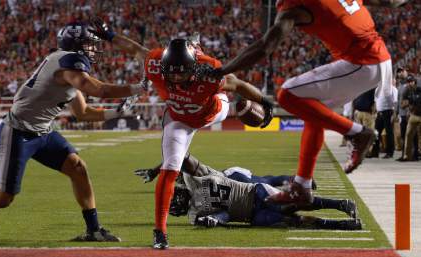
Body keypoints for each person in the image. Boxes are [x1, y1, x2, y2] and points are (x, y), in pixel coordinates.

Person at [0, 22, 148, 242]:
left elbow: (83, 113)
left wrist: (116, 113)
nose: (93, 49)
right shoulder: (68, 63)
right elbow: (100, 89)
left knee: (78, 168)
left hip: (43, 132)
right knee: (2, 198)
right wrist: (140, 87)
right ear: (76, 46)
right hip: (18, 132)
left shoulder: (68, 68)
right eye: (88, 44)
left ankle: (93, 230)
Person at [87, 18, 274, 249]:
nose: (175, 78)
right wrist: (109, 35)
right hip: (179, 119)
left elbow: (239, 84)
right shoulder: (155, 63)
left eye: (181, 74)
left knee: (237, 104)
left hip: (214, 109)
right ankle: (160, 232)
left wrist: (264, 101)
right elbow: (135, 49)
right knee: (170, 169)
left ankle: (196, 46)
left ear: (193, 67)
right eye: (171, 74)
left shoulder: (208, 71)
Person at [198, 0, 409, 205]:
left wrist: (221, 71)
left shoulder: (294, 6)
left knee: (287, 94)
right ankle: (301, 186)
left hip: (362, 60)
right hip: (378, 59)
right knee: (312, 111)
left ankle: (357, 132)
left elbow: (264, 47)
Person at [135, 154, 360, 230]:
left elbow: (181, 156)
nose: (179, 195)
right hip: (250, 216)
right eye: (177, 199)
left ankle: (341, 204)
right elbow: (226, 216)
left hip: (254, 192)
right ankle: (341, 225)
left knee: (288, 204)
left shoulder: (195, 178)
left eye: (176, 194)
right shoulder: (194, 216)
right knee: (293, 221)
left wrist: (157, 171)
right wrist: (215, 220)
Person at [371, 81, 398, 158]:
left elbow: (395, 102)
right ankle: (375, 152)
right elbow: (376, 101)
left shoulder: (393, 89)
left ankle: (390, 152)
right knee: (376, 133)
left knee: (389, 133)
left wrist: (394, 114)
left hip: (388, 112)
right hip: (380, 113)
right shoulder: (377, 89)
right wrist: (375, 112)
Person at [398, 75, 421, 161]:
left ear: (414, 82)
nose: (410, 84)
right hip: (413, 115)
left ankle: (417, 154)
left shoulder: (419, 90)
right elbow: (402, 104)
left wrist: (411, 102)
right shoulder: (406, 91)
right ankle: (407, 156)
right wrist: (409, 103)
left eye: (411, 82)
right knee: (408, 135)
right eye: (408, 82)